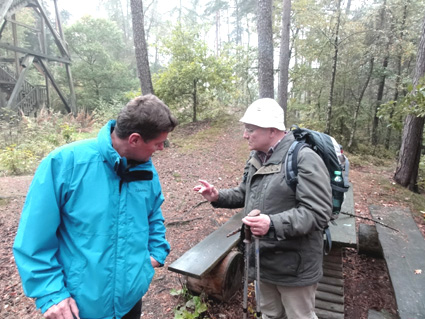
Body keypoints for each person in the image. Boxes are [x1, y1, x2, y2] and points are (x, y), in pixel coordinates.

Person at [13, 94, 178, 319]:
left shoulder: (145, 170)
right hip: (80, 307)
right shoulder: (65, 164)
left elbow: (152, 215)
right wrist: (51, 293)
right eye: (158, 143)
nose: (161, 149)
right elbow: (33, 238)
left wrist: (155, 254)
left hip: (130, 301)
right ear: (134, 139)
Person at [194, 98, 332, 319]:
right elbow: (245, 192)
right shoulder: (256, 157)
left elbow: (318, 213)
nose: (245, 135)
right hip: (261, 259)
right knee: (269, 314)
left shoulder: (304, 158)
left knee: (300, 316)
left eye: (250, 129)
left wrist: (272, 223)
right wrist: (217, 195)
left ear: (271, 130)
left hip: (294, 265)